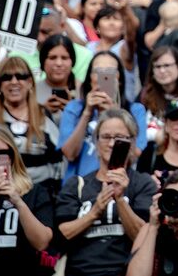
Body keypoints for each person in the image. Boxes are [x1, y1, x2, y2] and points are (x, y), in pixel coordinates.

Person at [56, 109, 156, 276]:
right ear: (96, 141)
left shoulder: (143, 183)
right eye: (106, 137)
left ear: (132, 142)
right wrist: (94, 212)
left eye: (119, 138)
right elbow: (62, 235)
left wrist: (120, 200)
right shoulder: (77, 184)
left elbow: (145, 237)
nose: (111, 144)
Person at [0, 124, 54, 275]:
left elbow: (42, 243)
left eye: (2, 154)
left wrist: (18, 201)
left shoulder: (34, 192)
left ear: (13, 156)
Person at [59, 51, 148, 181]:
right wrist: (87, 113)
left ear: (120, 79)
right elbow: (70, 154)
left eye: (110, 71)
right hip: (79, 187)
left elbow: (133, 156)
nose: (104, 76)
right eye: (98, 71)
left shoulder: (135, 110)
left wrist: (116, 115)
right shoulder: (74, 108)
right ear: (90, 78)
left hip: (118, 185)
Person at [0, 58, 61, 191]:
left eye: (21, 76)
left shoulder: (46, 116)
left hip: (40, 198)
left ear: (30, 82)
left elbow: (58, 162)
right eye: (7, 77)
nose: (14, 82)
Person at [136, 97, 178, 181]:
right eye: (174, 117)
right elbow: (137, 188)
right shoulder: (149, 154)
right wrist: (149, 184)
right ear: (166, 124)